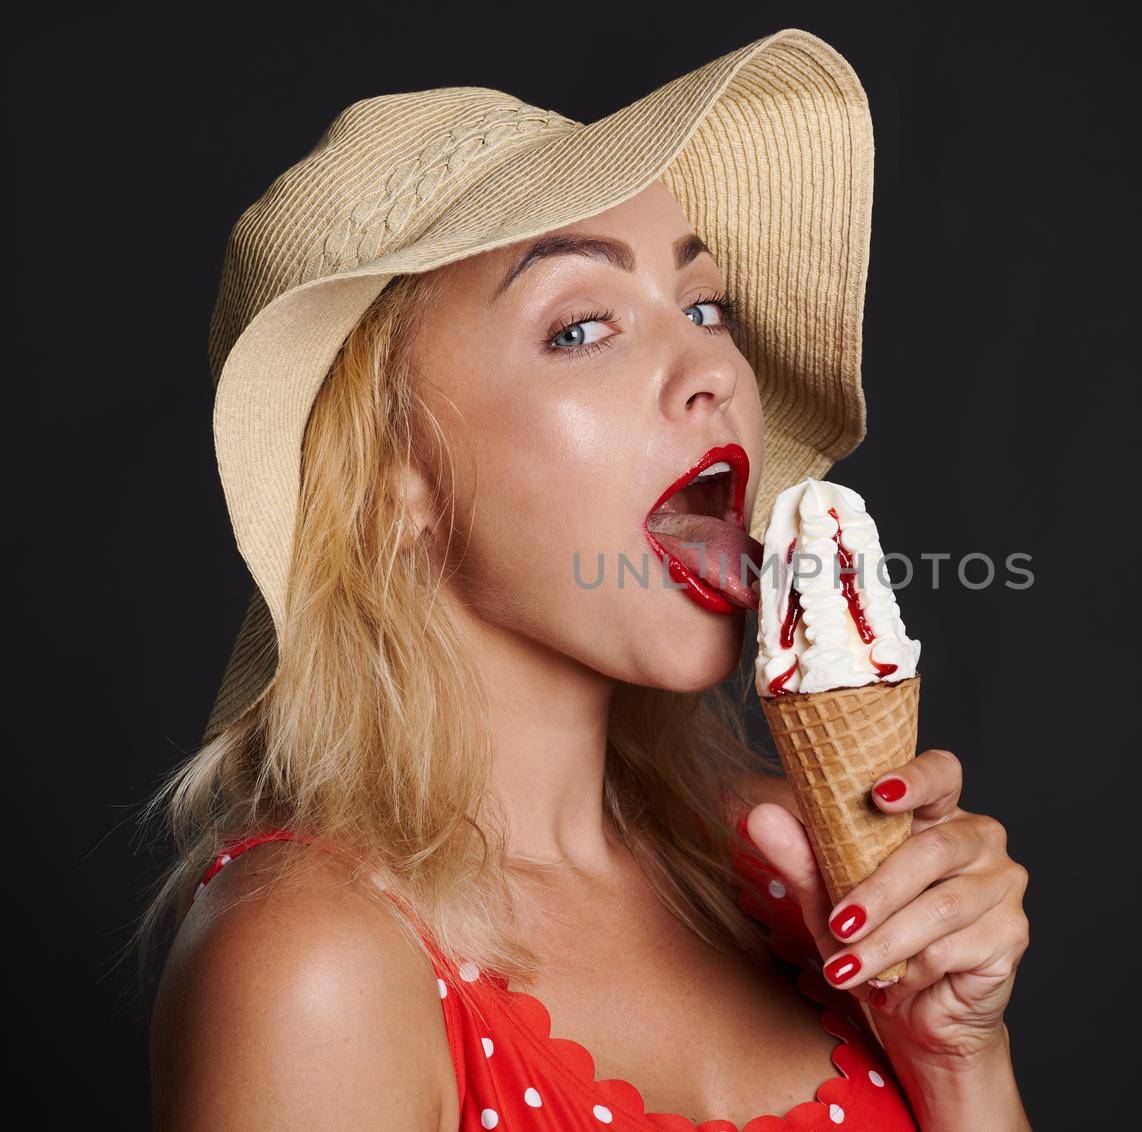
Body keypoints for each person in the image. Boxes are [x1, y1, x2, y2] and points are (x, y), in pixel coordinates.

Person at [139, 30, 1031, 1131]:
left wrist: (955, 1060)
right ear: (392, 478)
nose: (717, 370)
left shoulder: (780, 871)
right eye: (582, 326)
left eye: (706, 307)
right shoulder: (308, 965)